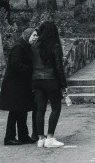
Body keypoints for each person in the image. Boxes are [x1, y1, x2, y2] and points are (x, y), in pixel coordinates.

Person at [31, 21, 68, 149]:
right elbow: (59, 67)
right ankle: (50, 137)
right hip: (51, 80)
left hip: (36, 80)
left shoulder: (34, 46)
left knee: (40, 109)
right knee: (56, 108)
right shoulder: (55, 46)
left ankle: (40, 138)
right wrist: (63, 84)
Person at [0, 28, 38, 145]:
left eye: (36, 35)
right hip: (14, 85)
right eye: (34, 35)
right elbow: (16, 64)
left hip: (21, 84)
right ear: (27, 35)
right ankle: (9, 137)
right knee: (15, 111)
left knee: (22, 110)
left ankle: (23, 135)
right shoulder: (19, 47)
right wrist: (31, 69)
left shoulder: (26, 47)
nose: (36, 37)